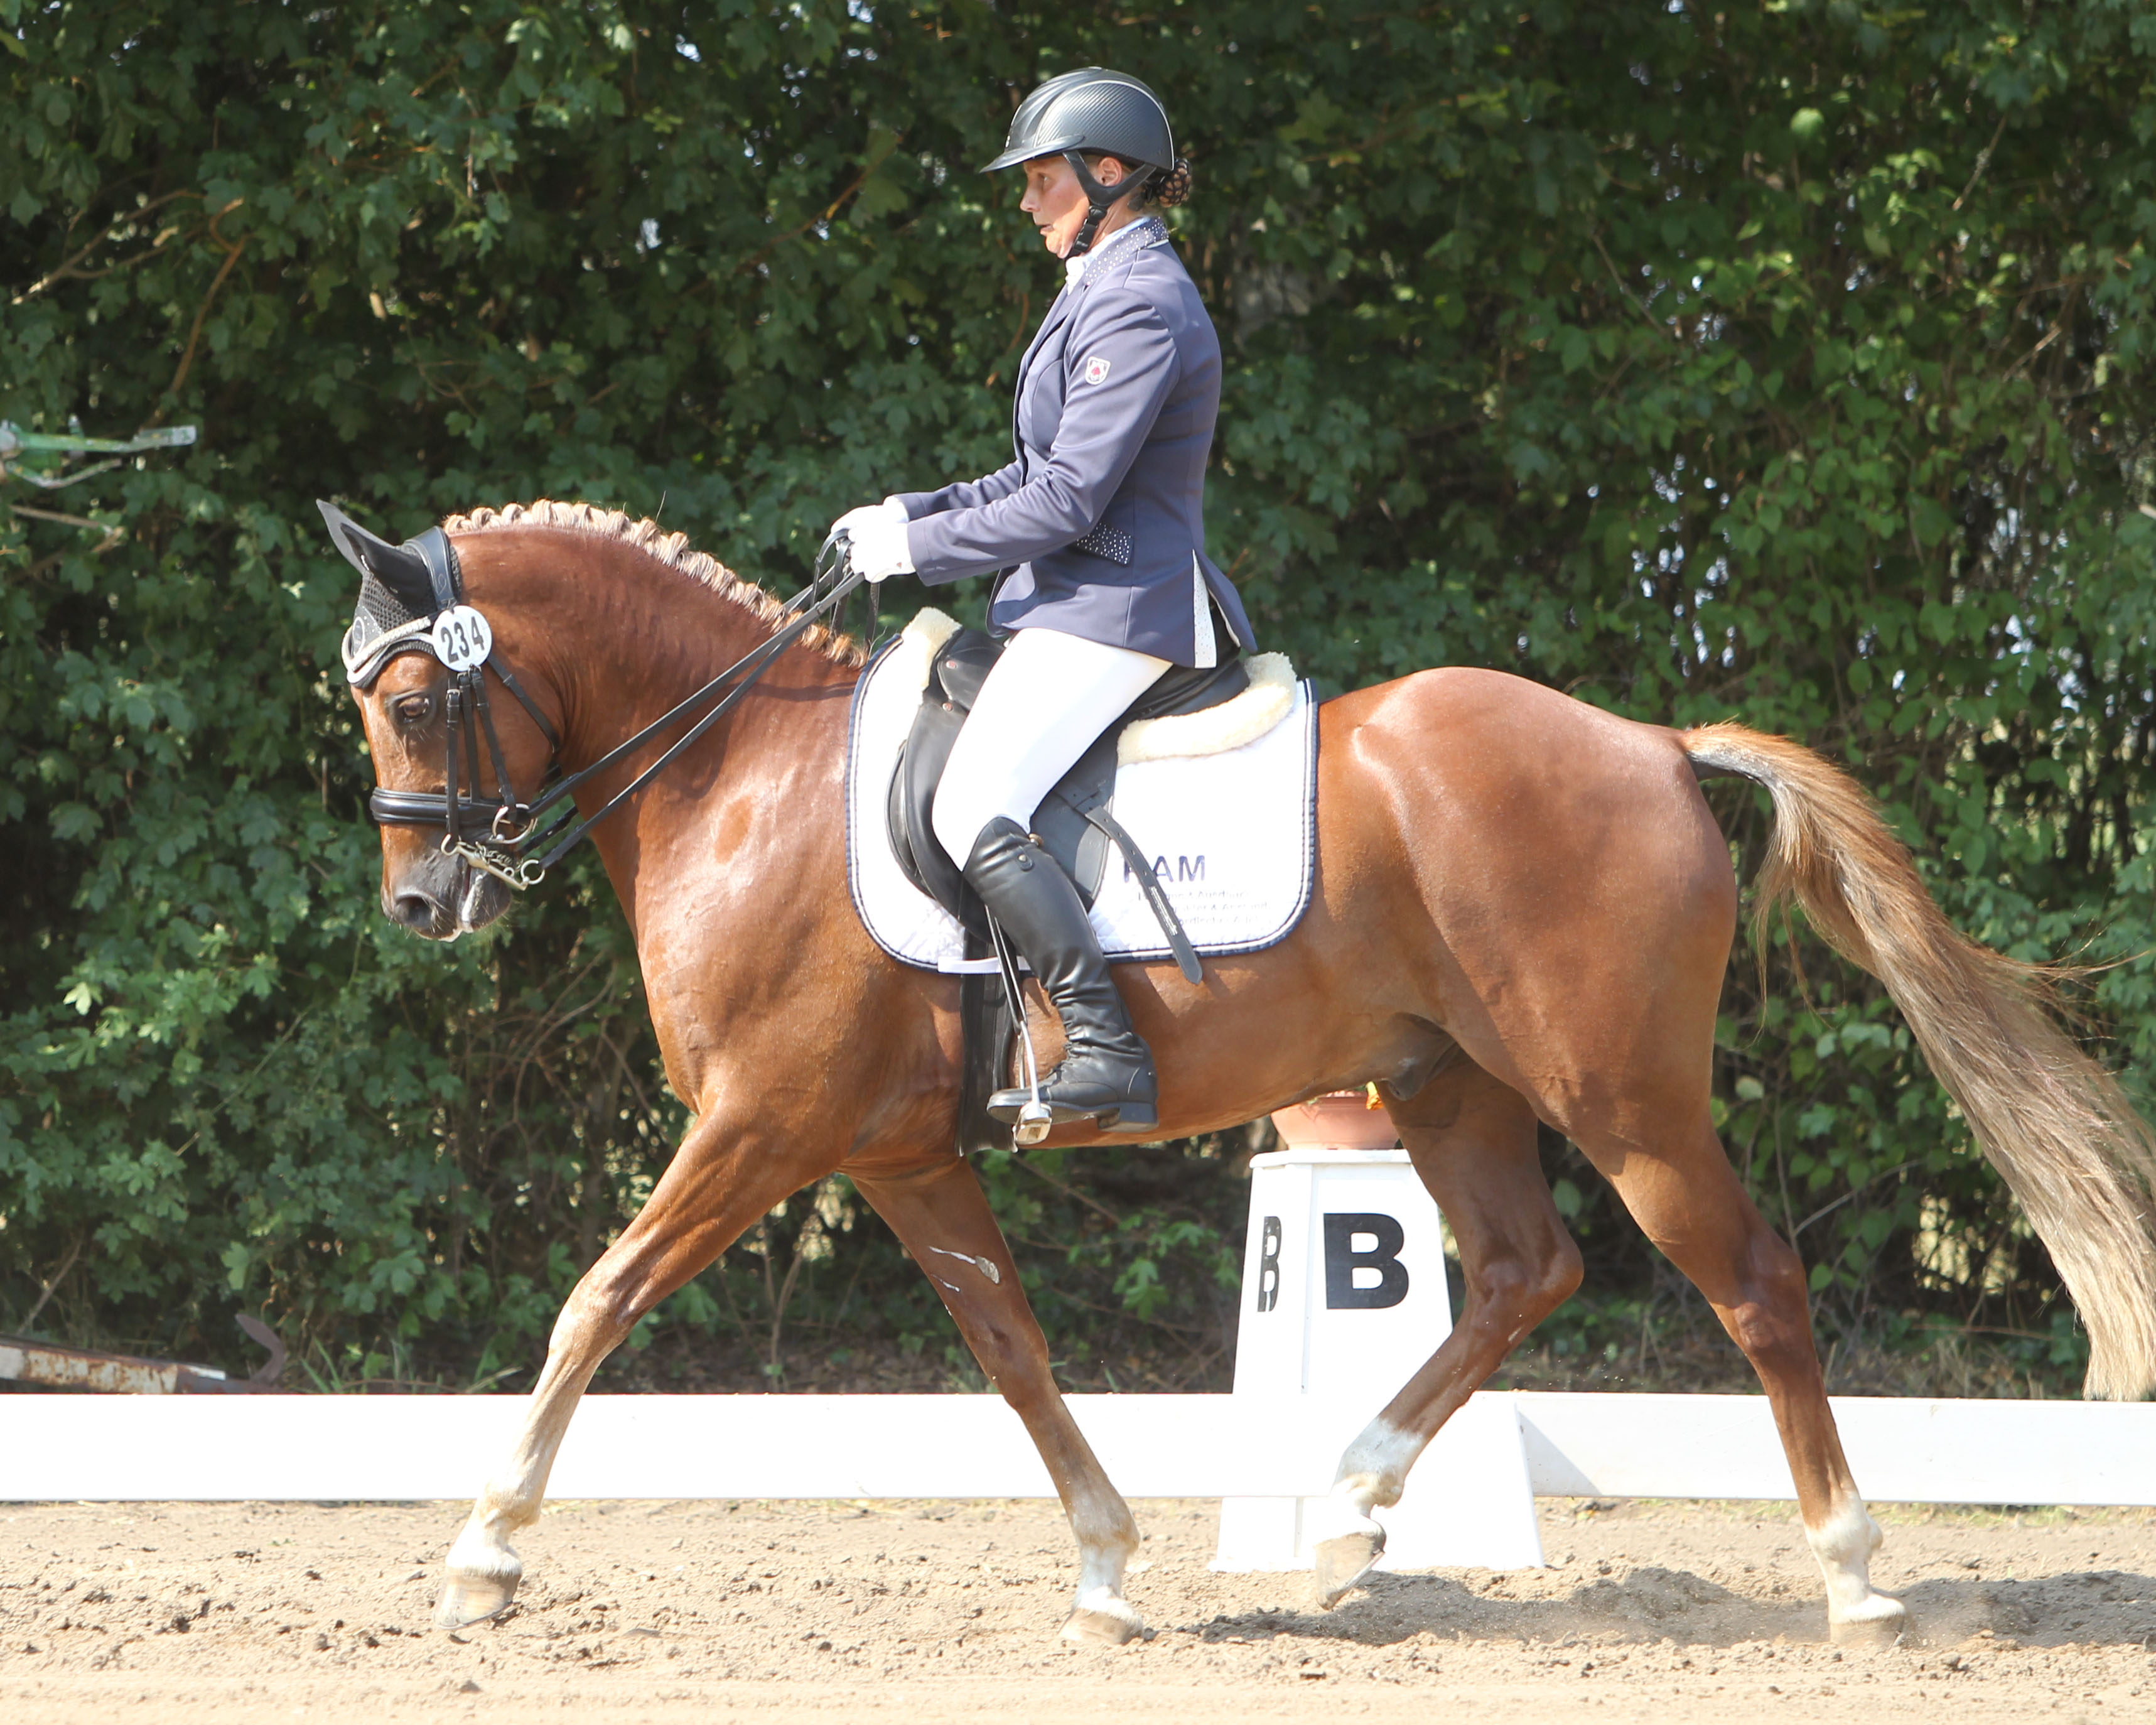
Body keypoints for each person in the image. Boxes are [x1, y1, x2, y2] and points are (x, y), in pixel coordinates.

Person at [829, 67, 1256, 1135]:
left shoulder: (1143, 301)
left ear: (1107, 176)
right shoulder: (1099, 288)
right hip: (1067, 598)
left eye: (1041, 181)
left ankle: (1106, 1049)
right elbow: (1030, 472)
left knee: (970, 803)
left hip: (1119, 604)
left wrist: (916, 551)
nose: (1025, 202)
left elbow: (1068, 500)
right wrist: (909, 511)